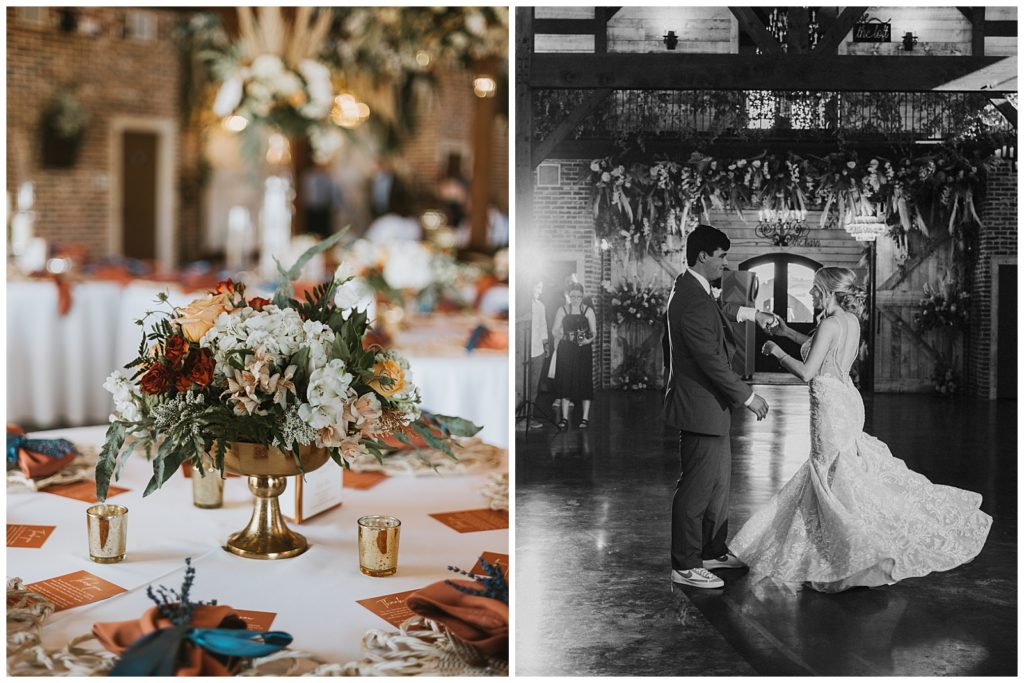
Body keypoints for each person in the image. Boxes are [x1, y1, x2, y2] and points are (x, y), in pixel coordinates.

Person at [729, 266, 991, 592]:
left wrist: (776, 351)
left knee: (827, 473)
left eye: (815, 288)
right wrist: (785, 332)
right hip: (846, 402)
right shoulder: (849, 321)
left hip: (828, 406)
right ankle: (835, 552)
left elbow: (809, 371)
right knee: (836, 472)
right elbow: (819, 347)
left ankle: (851, 555)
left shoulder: (828, 324)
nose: (811, 293)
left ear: (828, 291)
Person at [663, 224, 776, 589]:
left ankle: (712, 550)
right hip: (700, 407)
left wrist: (752, 314)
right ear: (703, 256)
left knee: (718, 487)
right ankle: (685, 563)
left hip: (711, 408)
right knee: (696, 489)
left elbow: (720, 309)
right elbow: (711, 360)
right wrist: (748, 396)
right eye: (722, 257)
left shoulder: (695, 289)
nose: (725, 264)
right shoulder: (690, 301)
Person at [551, 282, 596, 431]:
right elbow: (554, 330)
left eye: (578, 296)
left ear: (582, 296)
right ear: (568, 296)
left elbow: (594, 333)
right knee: (565, 382)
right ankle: (564, 417)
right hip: (566, 351)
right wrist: (565, 336)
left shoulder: (588, 311)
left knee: (584, 382)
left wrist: (587, 340)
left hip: (583, 351)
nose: (575, 299)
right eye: (573, 296)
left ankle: (585, 418)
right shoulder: (562, 310)